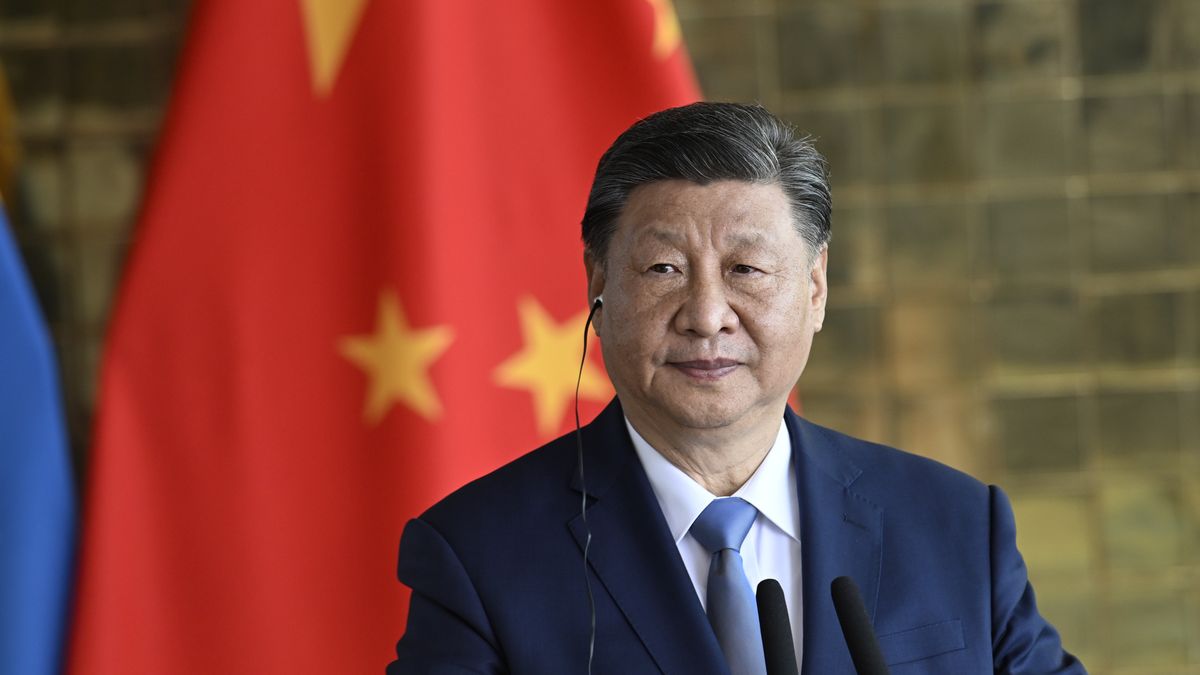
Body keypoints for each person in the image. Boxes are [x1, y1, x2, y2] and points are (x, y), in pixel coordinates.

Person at [387, 102, 1085, 674]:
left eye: (747, 269)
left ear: (814, 290)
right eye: (664, 268)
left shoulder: (957, 524)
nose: (707, 315)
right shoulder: (477, 557)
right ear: (599, 285)